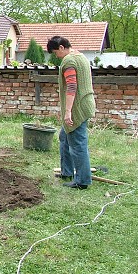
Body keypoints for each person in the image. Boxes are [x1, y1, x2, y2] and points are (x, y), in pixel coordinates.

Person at [47, 36, 96, 190]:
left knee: (78, 143)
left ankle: (82, 181)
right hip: (85, 103)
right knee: (65, 137)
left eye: (56, 53)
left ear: (62, 47)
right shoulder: (80, 56)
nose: (56, 56)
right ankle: (67, 171)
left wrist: (68, 112)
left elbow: (72, 87)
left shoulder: (69, 61)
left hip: (77, 107)